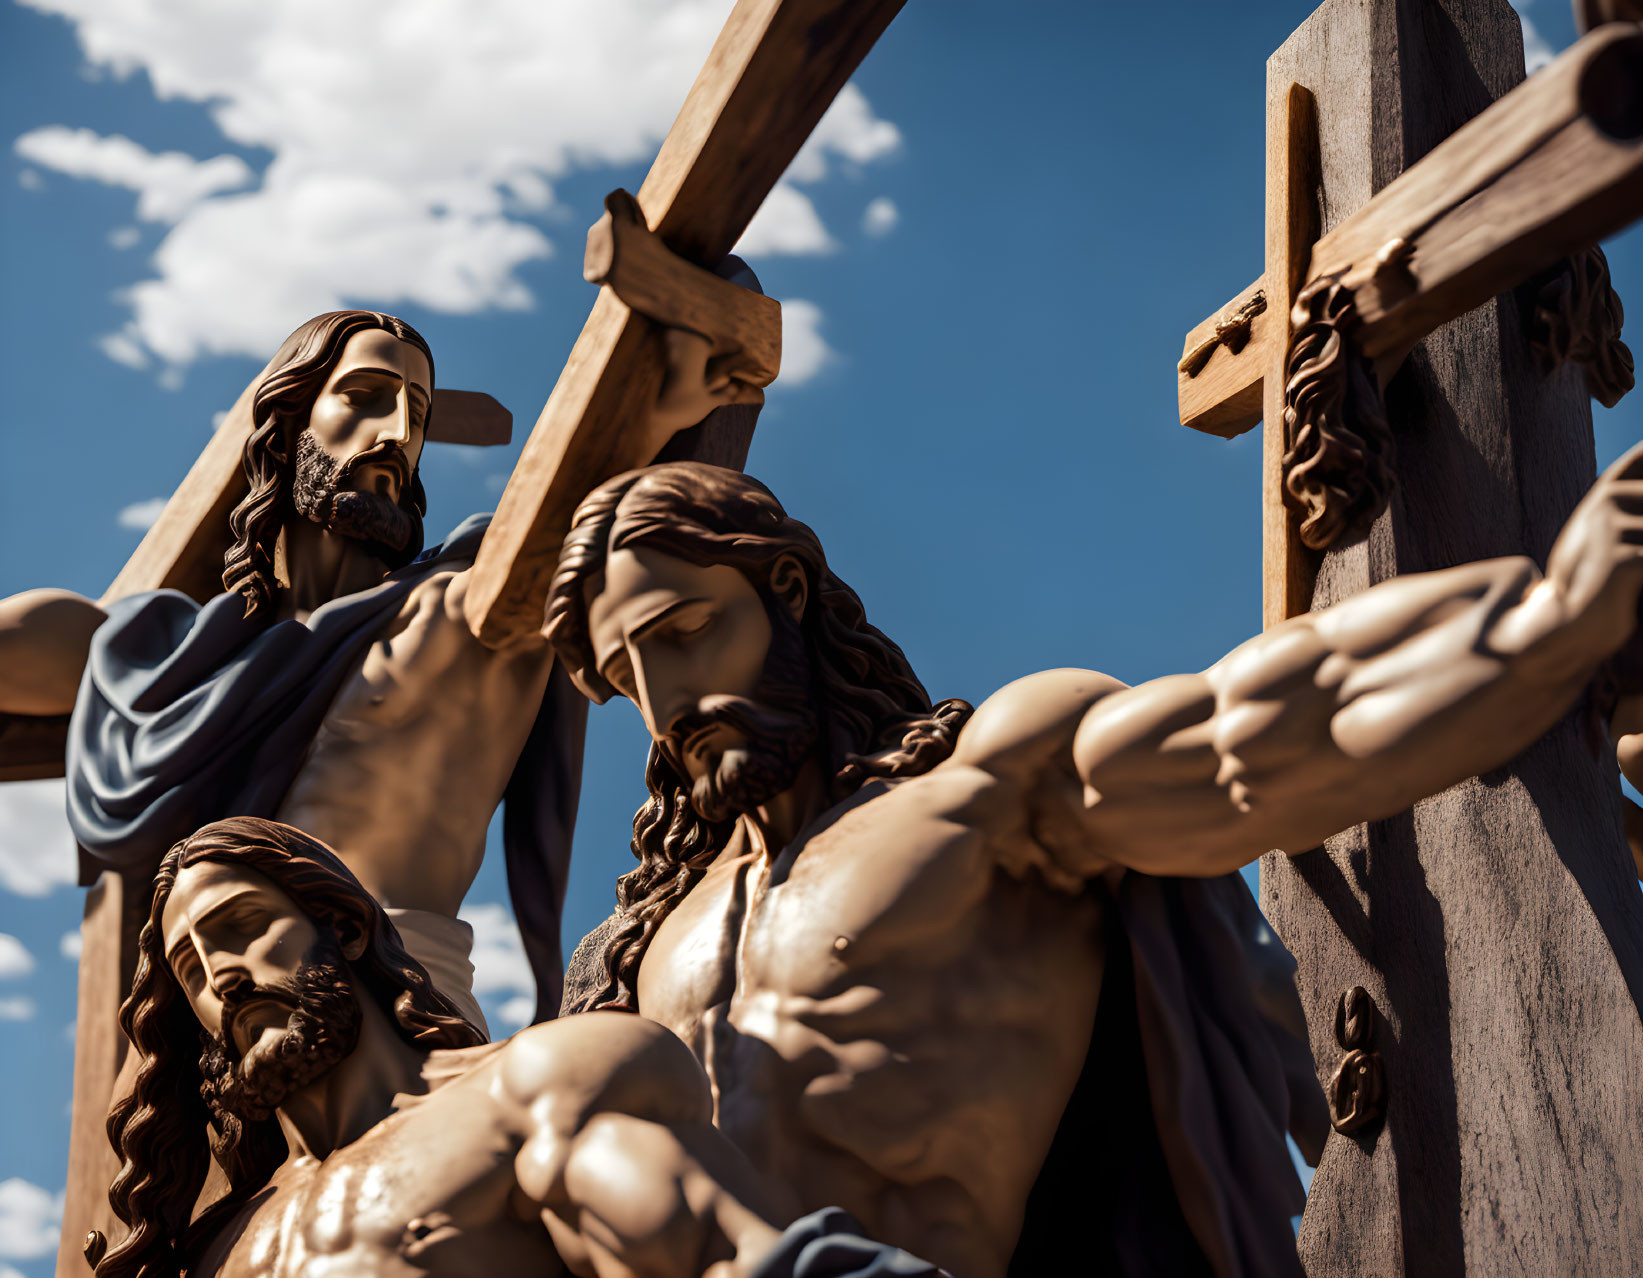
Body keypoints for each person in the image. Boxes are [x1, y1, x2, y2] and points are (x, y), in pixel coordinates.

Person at [541, 449, 1643, 1278]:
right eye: (621, 673)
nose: (663, 699)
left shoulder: (985, 798)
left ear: (782, 589)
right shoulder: (638, 952)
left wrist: (1553, 617)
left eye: (682, 629)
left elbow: (1256, 730)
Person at [0, 306, 747, 1025]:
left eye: (417, 416)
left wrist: (652, 415)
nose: (395, 434)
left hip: (395, 1012)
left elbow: (588, 527)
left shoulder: (460, 608)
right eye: (363, 398)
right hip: (204, 1032)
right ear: (288, 424)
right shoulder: (164, 654)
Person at [97, 816, 946, 1278]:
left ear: (347, 929)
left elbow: (722, 1256)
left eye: (243, 930)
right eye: (192, 969)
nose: (224, 977)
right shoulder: (215, 1252)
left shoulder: (531, 1091)